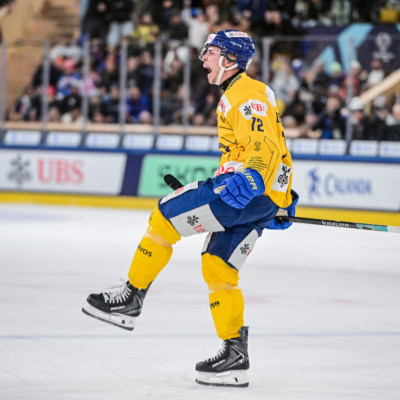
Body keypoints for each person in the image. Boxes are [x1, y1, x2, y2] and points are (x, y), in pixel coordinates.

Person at [82, 29, 298, 388]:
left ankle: (130, 298)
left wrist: (254, 181)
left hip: (239, 191)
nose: (203, 58)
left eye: (211, 52)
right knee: (218, 268)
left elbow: (263, 146)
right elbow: (277, 147)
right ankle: (235, 355)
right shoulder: (255, 92)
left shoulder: (244, 94)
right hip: (259, 198)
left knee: (163, 218)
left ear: (230, 59)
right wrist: (281, 197)